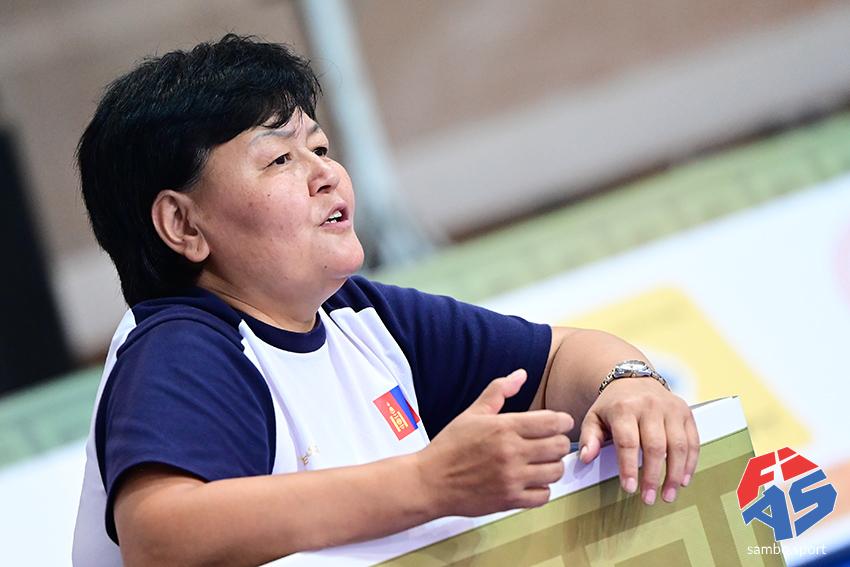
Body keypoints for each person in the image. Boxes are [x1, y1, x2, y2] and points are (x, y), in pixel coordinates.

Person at [72, 34, 699, 567]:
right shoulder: (181, 346)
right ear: (183, 225)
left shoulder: (358, 315)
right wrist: (428, 482)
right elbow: (161, 535)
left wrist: (628, 384)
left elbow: (561, 357)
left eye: (320, 148)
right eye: (280, 159)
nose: (326, 174)